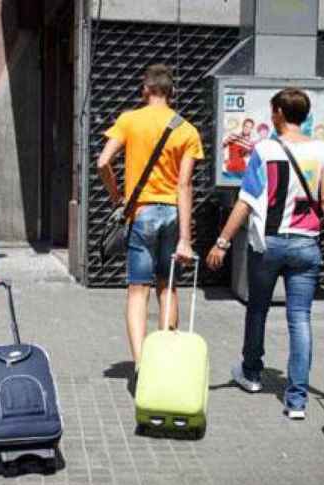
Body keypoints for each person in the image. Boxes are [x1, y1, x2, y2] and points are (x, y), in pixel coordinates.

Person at [205, 87, 324, 420]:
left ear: (277, 113)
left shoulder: (265, 150)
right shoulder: (322, 150)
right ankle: (298, 400)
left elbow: (246, 200)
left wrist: (222, 242)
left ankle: (252, 374)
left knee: (257, 309)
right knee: (300, 319)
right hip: (307, 245)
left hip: (269, 244)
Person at [96, 63, 203, 373]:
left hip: (141, 213)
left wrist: (118, 196)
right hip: (172, 213)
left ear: (145, 89)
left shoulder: (130, 121)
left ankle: (142, 365)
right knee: (167, 287)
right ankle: (166, 358)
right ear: (172, 91)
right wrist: (185, 238)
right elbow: (185, 185)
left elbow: (103, 162)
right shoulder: (186, 129)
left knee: (137, 291)